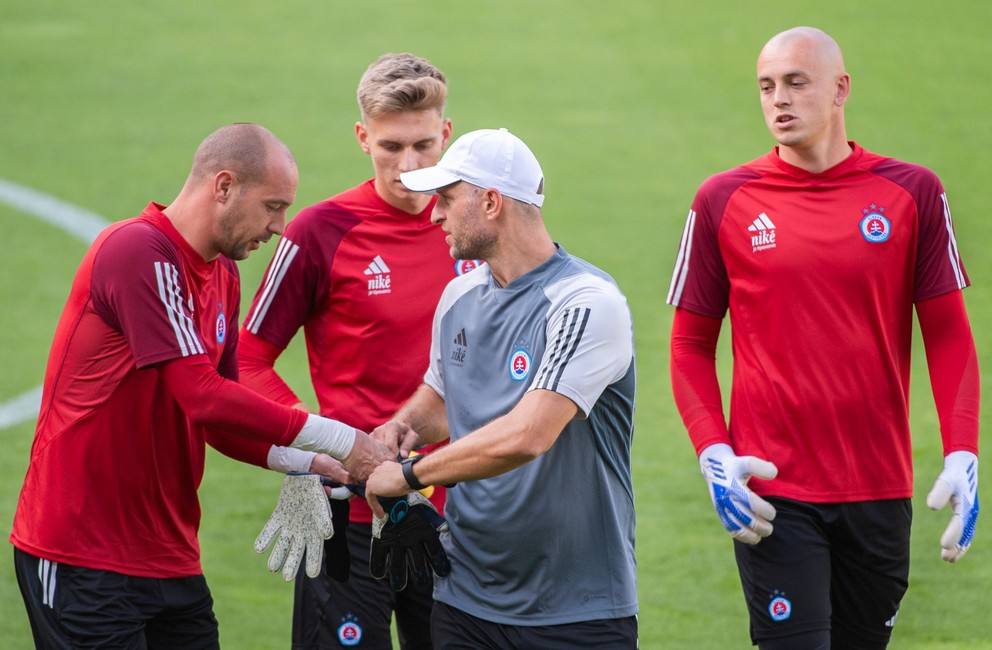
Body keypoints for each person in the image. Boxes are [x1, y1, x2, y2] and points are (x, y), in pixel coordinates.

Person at [10, 123, 392, 649]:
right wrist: (343, 440)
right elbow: (201, 393)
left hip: (168, 555)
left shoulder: (223, 275)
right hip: (82, 553)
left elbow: (217, 420)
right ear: (224, 186)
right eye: (273, 207)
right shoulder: (137, 251)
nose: (280, 226)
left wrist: (310, 463)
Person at [667, 26, 980, 649]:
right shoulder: (724, 199)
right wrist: (713, 451)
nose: (777, 99)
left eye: (795, 82)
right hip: (774, 491)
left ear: (840, 89)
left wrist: (962, 450)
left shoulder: (911, 192)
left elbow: (947, 335)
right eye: (766, 86)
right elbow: (689, 345)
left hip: (878, 486)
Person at [364, 127, 639, 649]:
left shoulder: (586, 303)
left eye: (447, 198)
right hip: (463, 601)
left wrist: (408, 473)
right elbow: (444, 397)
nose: (434, 214)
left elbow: (527, 434)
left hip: (578, 612)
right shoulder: (459, 295)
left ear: (491, 202)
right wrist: (402, 427)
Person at [238, 53, 467, 649]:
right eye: (391, 147)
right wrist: (310, 443)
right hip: (347, 517)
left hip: (461, 514)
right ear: (363, 136)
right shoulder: (320, 231)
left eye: (423, 145)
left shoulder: (475, 230)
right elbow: (246, 357)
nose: (409, 165)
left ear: (447, 133)